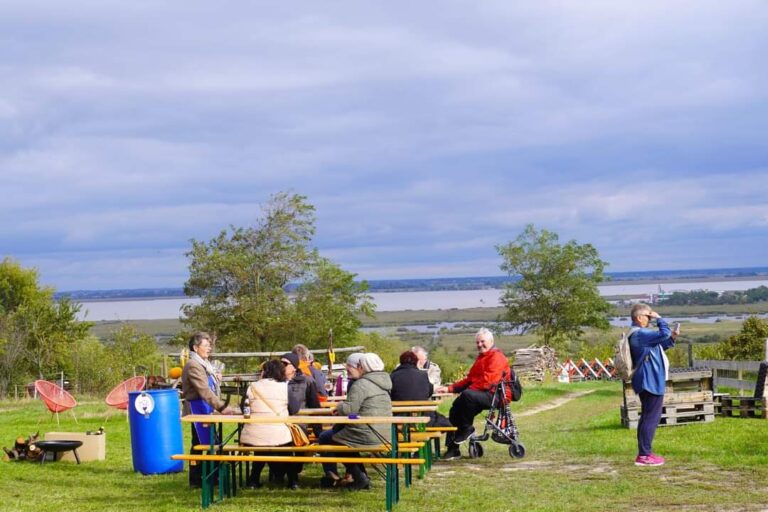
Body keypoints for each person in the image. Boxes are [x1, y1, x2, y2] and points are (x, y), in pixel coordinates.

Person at [317, 352, 392, 490]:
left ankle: (352, 477)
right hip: (385, 433)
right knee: (340, 439)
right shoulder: (384, 382)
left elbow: (349, 410)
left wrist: (339, 406)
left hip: (367, 433)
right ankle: (360, 476)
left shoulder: (361, 384)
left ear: (363, 367)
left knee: (330, 438)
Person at [435, 327, 510, 461]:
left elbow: (488, 382)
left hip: (495, 395)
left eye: (482, 342)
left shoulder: (497, 357)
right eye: (477, 343)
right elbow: (470, 379)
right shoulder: (481, 358)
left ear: (491, 341)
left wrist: (466, 392)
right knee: (455, 408)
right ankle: (453, 449)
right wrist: (449, 389)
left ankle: (466, 429)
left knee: (467, 396)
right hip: (481, 395)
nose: (479, 345)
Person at [181, 332, 235, 488]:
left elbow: (209, 385)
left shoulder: (204, 364)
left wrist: (216, 378)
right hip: (197, 408)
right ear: (195, 347)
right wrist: (223, 407)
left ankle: (204, 477)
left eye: (209, 345)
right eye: (206, 346)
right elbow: (203, 390)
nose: (209, 348)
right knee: (201, 444)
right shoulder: (193, 365)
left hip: (206, 408)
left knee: (205, 443)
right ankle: (200, 478)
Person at [629, 303, 677, 467]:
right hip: (649, 380)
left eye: (651, 317)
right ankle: (644, 455)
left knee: (647, 417)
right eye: (648, 317)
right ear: (639, 317)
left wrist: (672, 338)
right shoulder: (640, 333)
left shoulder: (639, 335)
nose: (650, 319)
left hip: (647, 379)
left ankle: (644, 453)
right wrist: (660, 319)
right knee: (651, 418)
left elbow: (659, 345)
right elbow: (663, 334)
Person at [240, 359, 299, 489]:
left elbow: (243, 408)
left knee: (260, 447)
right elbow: (295, 409)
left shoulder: (251, 387)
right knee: (286, 450)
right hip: (279, 434)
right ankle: (293, 481)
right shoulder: (284, 387)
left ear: (264, 372)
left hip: (254, 434)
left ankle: (253, 480)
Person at [391, 351, 451, 427]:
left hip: (399, 418)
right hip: (422, 418)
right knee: (444, 420)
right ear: (416, 362)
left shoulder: (393, 376)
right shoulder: (423, 375)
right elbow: (429, 392)